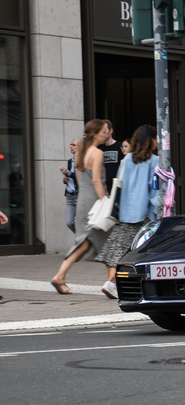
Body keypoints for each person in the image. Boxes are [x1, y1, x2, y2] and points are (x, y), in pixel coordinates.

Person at [95, 125, 159, 299]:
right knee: (147, 250)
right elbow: (154, 190)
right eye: (155, 138)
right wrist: (158, 213)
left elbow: (120, 185)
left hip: (126, 211)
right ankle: (116, 284)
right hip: (144, 213)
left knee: (120, 250)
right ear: (150, 140)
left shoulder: (128, 159)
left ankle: (112, 283)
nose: (157, 141)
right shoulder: (154, 161)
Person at [51, 120, 111, 295]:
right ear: (95, 134)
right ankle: (111, 283)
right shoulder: (97, 153)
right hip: (95, 201)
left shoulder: (79, 154)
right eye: (104, 131)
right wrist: (105, 203)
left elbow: (79, 180)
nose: (106, 134)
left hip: (82, 201)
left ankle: (61, 276)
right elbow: (96, 181)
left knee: (87, 242)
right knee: (106, 241)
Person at [98, 119, 125, 192]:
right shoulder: (99, 149)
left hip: (117, 186)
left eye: (105, 130)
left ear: (111, 131)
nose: (103, 133)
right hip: (103, 187)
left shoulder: (121, 147)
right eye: (101, 131)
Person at [60, 139, 79, 233]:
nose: (71, 146)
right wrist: (66, 179)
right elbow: (71, 177)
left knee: (81, 222)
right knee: (69, 222)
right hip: (69, 195)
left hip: (78, 195)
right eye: (71, 144)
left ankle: (82, 240)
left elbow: (81, 179)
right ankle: (82, 239)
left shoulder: (82, 162)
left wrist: (69, 173)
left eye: (74, 145)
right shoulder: (70, 161)